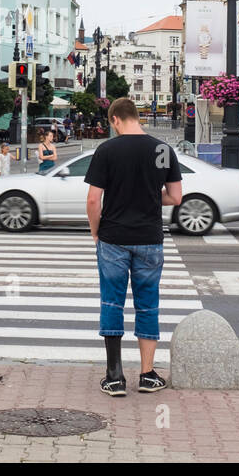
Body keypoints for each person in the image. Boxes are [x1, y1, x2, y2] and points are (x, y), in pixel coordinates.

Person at [85, 97, 182, 397]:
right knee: (148, 304)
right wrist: (152, 198)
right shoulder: (162, 149)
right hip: (150, 238)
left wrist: (95, 232)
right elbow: (176, 197)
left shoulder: (107, 150)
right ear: (137, 116)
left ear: (115, 119)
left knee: (112, 303)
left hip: (114, 238)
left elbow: (92, 200)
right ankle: (147, 374)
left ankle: (114, 377)